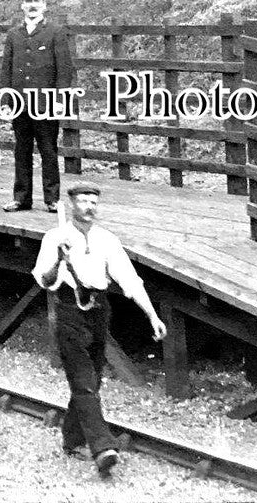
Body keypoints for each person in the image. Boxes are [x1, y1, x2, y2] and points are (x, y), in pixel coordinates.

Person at [31, 181, 167, 478]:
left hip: (99, 309)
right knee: (84, 382)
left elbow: (130, 280)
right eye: (83, 201)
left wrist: (152, 315)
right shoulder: (55, 237)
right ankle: (103, 448)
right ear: (72, 204)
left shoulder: (107, 239)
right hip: (69, 310)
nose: (89, 207)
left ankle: (72, 438)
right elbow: (43, 280)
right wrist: (58, 258)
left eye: (94, 201)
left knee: (92, 379)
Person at [0, 0, 74, 213]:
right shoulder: (14, 34)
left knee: (48, 150)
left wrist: (60, 99)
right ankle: (21, 198)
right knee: (21, 150)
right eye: (28, 1)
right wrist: (5, 98)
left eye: (36, 1)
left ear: (44, 5)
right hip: (20, 104)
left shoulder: (56, 32)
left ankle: (52, 199)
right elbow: (6, 69)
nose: (32, 5)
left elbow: (65, 69)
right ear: (22, 6)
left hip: (46, 104)